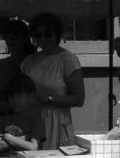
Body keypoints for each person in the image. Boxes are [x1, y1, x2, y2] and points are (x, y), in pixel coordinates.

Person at [21, 12, 85, 150]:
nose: (43, 38)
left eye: (48, 34)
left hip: (58, 123)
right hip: (32, 123)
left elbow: (79, 99)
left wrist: (49, 99)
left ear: (57, 34)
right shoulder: (28, 62)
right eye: (38, 35)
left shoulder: (68, 60)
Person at [0, 19, 36, 126]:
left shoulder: (34, 65)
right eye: (8, 36)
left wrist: (10, 105)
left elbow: (35, 96)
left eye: (15, 35)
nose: (11, 39)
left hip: (25, 123)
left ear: (25, 38)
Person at [0, 74, 45, 156]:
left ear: (31, 97)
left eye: (19, 95)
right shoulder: (2, 119)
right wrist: (26, 138)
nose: (14, 100)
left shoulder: (37, 121)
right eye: (11, 96)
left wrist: (7, 137)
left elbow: (33, 148)